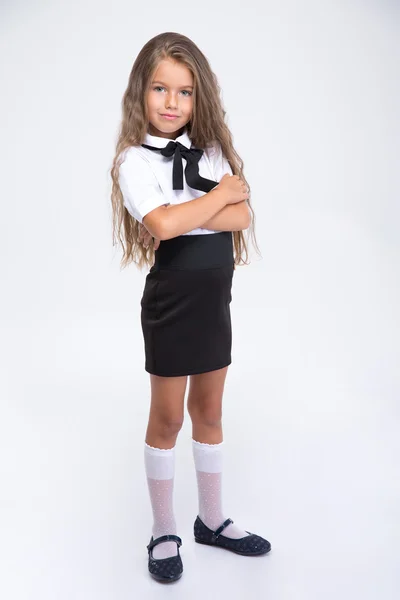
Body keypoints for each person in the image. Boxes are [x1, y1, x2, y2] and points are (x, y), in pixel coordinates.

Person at [110, 32, 271, 583]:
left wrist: (211, 207)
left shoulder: (212, 152)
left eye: (183, 91)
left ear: (199, 97)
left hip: (213, 301)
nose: (172, 102)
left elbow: (241, 220)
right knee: (168, 416)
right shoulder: (133, 161)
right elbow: (163, 224)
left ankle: (211, 520)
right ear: (142, 92)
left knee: (209, 412)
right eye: (160, 88)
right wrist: (218, 198)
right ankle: (163, 530)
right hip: (172, 301)